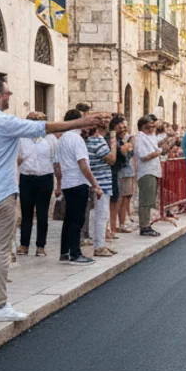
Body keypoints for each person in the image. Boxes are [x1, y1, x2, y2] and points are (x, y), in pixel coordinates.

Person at [0, 78, 104, 322]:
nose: (10, 95)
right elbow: (42, 128)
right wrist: (81, 121)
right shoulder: (5, 122)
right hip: (1, 194)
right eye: (7, 92)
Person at [54, 109, 100, 265]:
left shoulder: (61, 139)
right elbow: (83, 164)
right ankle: (75, 252)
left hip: (68, 182)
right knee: (77, 219)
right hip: (78, 182)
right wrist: (95, 184)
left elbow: (57, 165)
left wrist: (60, 183)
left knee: (69, 218)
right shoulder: (77, 139)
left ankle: (64, 251)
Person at [16, 112, 58, 257]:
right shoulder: (21, 138)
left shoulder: (50, 138)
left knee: (42, 213)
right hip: (26, 178)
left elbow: (55, 159)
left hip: (45, 177)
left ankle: (41, 246)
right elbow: (17, 158)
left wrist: (59, 182)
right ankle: (24, 245)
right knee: (26, 213)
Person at [135, 114, 178, 237]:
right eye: (149, 127)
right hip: (146, 171)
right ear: (143, 127)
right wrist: (159, 152)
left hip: (153, 170)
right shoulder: (140, 138)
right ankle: (144, 226)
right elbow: (144, 156)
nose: (152, 129)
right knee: (145, 200)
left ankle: (146, 224)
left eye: (154, 126)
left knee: (149, 199)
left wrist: (167, 139)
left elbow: (156, 143)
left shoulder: (150, 136)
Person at [85, 123, 116, 256]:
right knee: (102, 215)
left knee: (97, 215)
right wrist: (113, 143)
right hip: (101, 182)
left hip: (93, 181)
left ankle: (100, 243)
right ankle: (99, 246)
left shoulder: (86, 141)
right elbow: (111, 159)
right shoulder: (97, 141)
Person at [111, 115, 135, 234]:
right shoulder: (114, 139)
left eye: (125, 126)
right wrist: (126, 148)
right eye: (121, 126)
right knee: (118, 198)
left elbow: (130, 155)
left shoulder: (125, 139)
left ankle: (121, 222)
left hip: (127, 170)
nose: (124, 129)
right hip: (119, 171)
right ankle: (114, 224)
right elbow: (123, 156)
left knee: (126, 197)